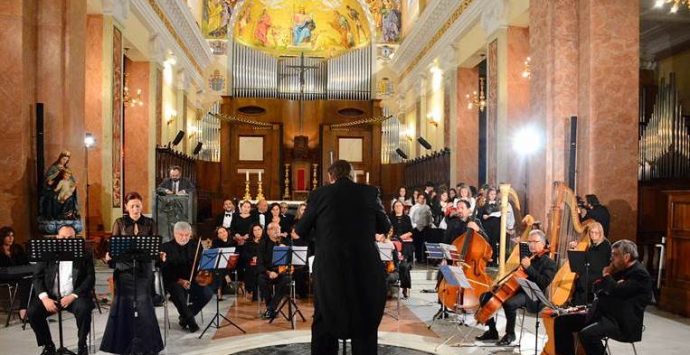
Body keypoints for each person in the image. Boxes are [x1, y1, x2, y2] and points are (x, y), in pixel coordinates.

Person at [294, 159, 391, 354]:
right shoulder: (370, 192)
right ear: (352, 175)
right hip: (364, 265)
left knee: (325, 313)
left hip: (330, 265)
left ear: (331, 176)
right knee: (364, 313)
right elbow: (385, 227)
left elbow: (300, 230)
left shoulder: (318, 194)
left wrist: (322, 234)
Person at [100, 192, 164, 354]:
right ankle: (122, 345)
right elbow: (113, 248)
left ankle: (148, 346)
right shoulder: (119, 223)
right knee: (123, 305)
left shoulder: (150, 223)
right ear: (126, 207)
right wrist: (109, 256)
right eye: (132, 206)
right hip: (124, 270)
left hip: (143, 270)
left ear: (142, 206)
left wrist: (160, 254)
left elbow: (155, 247)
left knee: (144, 305)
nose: (136, 209)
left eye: (138, 206)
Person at [476, 229, 556, 346]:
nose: (531, 245)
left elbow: (543, 283)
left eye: (535, 242)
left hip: (532, 295)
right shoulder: (528, 258)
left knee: (509, 303)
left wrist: (529, 268)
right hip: (519, 289)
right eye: (529, 242)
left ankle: (510, 334)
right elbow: (516, 275)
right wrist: (501, 284)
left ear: (543, 244)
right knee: (485, 296)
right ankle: (492, 331)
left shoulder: (550, 263)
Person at [577, 239, 653, 355]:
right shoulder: (621, 270)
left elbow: (617, 291)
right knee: (564, 321)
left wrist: (607, 276)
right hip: (607, 315)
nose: (611, 258)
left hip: (623, 323)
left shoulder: (640, 274)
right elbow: (596, 288)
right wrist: (610, 280)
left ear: (627, 257)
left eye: (615, 255)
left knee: (587, 334)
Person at [28, 225, 94, 355]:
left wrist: (73, 296)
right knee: (33, 312)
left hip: (74, 297)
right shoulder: (47, 252)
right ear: (57, 237)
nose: (66, 240)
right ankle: (48, 345)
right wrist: (45, 298)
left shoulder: (84, 254)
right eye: (63, 237)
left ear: (75, 238)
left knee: (84, 309)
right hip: (51, 296)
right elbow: (37, 277)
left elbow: (90, 278)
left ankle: (82, 345)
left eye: (70, 238)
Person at [160, 222, 213, 332]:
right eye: (181, 235)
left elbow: (201, 265)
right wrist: (180, 281)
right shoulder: (165, 247)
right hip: (173, 281)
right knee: (178, 294)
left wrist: (202, 274)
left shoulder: (195, 246)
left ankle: (185, 317)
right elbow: (164, 270)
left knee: (207, 293)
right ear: (174, 234)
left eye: (187, 235)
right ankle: (191, 322)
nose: (184, 238)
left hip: (193, 280)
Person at [568, 221, 612, 306]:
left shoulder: (605, 245)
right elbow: (587, 259)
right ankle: (577, 304)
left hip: (600, 273)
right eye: (591, 232)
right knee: (580, 278)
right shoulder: (592, 245)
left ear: (600, 233)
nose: (593, 235)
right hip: (592, 271)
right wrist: (575, 249)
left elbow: (596, 262)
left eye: (596, 233)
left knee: (583, 279)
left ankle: (579, 304)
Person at [256, 222, 291, 319]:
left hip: (281, 272)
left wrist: (287, 250)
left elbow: (291, 262)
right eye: (273, 228)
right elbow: (259, 264)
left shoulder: (286, 242)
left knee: (287, 279)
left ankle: (271, 308)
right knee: (261, 279)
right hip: (268, 272)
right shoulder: (262, 244)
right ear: (268, 232)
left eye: (278, 228)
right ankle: (271, 307)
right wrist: (269, 272)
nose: (276, 230)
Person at [0, 226, 31, 321]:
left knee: (30, 279)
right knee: (26, 277)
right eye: (7, 236)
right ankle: (24, 310)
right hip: (3, 275)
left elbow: (26, 263)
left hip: (19, 275)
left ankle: (25, 309)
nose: (11, 238)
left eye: (12, 236)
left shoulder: (17, 248)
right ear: (2, 237)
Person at [390, 201, 413, 298]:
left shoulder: (407, 218)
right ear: (393, 208)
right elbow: (388, 230)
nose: (398, 207)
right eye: (396, 206)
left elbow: (410, 231)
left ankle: (405, 288)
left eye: (400, 206)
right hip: (393, 242)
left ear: (403, 207)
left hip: (405, 243)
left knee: (404, 266)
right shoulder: (390, 218)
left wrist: (402, 237)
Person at [408, 193, 432, 263]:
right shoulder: (414, 207)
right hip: (417, 228)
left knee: (425, 243)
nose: (422, 199)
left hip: (426, 228)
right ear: (417, 199)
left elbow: (430, 217)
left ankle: (425, 258)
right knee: (418, 244)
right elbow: (411, 218)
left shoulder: (427, 207)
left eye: (423, 198)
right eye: (420, 198)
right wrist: (415, 227)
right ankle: (419, 258)